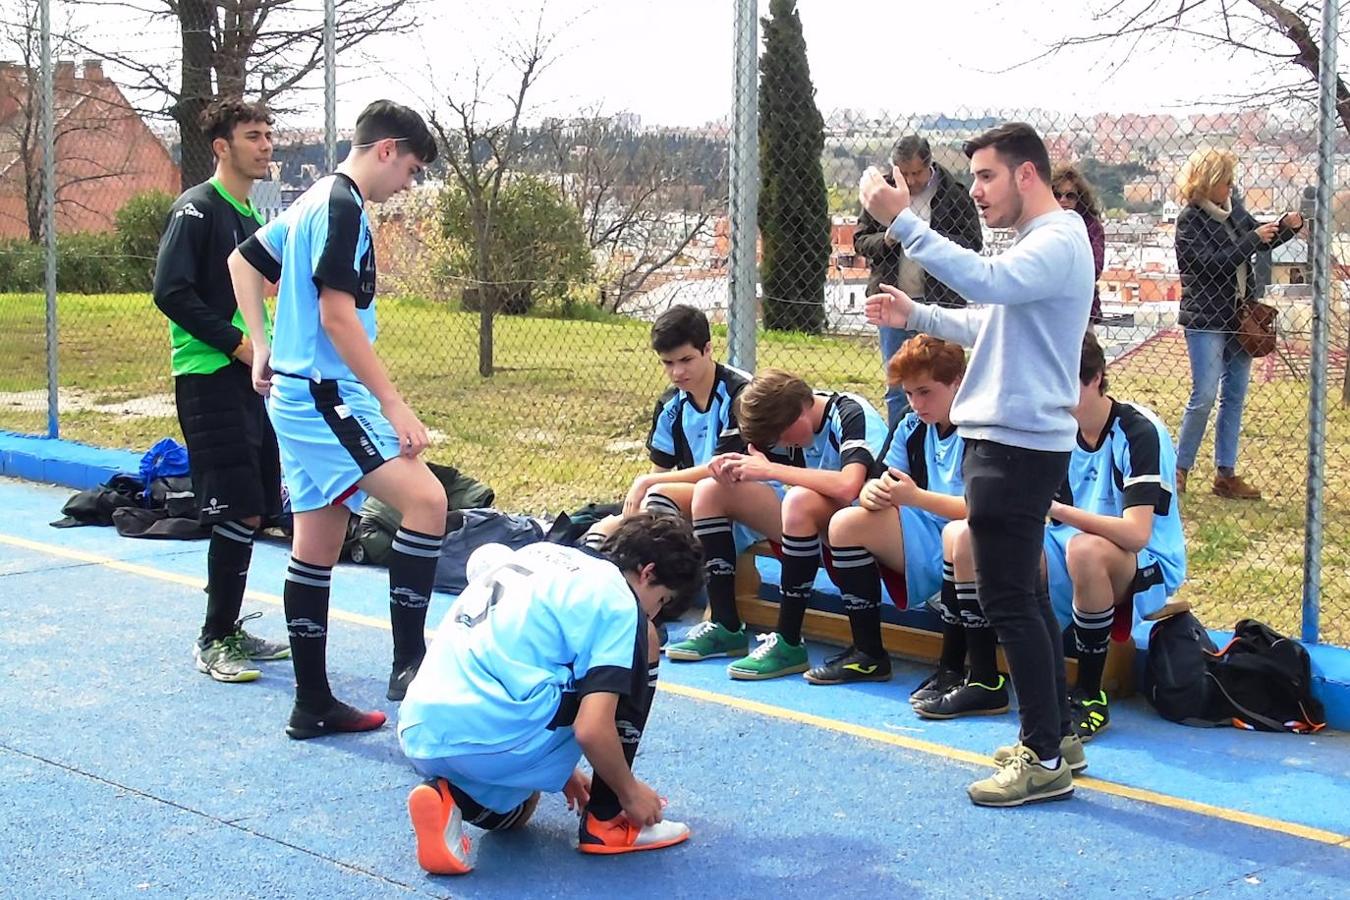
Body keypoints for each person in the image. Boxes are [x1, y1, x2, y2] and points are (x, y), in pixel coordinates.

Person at [860, 121, 1093, 807]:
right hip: (1013, 440)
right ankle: (1059, 735)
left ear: (1027, 175)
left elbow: (985, 279)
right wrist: (917, 312)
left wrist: (903, 223)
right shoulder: (1041, 245)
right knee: (1018, 595)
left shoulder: (1055, 239)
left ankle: (1042, 756)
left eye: (988, 176)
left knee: (1006, 600)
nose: (979, 192)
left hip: (1016, 442)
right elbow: (987, 320)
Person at [230, 100, 445, 739]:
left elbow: (243, 262)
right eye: (410, 169)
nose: (408, 184)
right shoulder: (344, 205)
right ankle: (411, 663)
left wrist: (262, 344)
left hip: (296, 392)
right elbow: (337, 317)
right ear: (387, 149)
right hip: (324, 395)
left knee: (318, 542)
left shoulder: (312, 197)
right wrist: (394, 403)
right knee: (427, 501)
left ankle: (313, 702)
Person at [398, 514, 704, 875]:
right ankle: (606, 822)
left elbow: (518, 658)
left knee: (519, 811)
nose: (654, 614)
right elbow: (591, 728)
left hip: (420, 728)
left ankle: (446, 796)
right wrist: (628, 792)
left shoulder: (540, 552)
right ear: (647, 573)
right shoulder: (620, 601)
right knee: (645, 643)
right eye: (661, 601)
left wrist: (557, 763)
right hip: (496, 736)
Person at [152, 98, 290, 684]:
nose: (265, 146)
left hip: (247, 377)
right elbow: (170, 291)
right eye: (253, 136)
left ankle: (230, 626)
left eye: (268, 136)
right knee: (236, 506)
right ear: (221, 147)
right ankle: (213, 639)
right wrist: (235, 343)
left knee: (255, 506)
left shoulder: (247, 214)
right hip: (209, 376)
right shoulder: (198, 209)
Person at [814, 336, 1006, 721]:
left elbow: (982, 509)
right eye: (909, 394)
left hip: (986, 539)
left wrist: (914, 497)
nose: (917, 404)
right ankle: (868, 654)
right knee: (847, 523)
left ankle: (953, 667)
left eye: (925, 392)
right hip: (930, 530)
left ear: (959, 382)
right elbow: (877, 478)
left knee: (959, 537)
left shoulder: (985, 427)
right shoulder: (912, 424)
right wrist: (873, 492)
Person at [664, 369, 888, 680]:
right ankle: (725, 625)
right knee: (710, 490)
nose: (780, 444)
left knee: (799, 500)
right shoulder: (779, 415)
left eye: (781, 436)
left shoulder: (850, 413)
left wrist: (772, 471)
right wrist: (721, 465)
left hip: (866, 529)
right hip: (811, 526)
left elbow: (849, 487)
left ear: (799, 413)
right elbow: (743, 463)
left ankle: (788, 640)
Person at [1043, 331, 1187, 741]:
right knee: (1006, 547)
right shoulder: (1055, 427)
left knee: (1086, 550)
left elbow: (1137, 534)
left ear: (1097, 378)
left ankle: (1090, 695)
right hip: (1074, 542)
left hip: (1147, 562)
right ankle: (990, 678)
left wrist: (1058, 511)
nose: (1058, 397)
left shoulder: (1138, 431)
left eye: (1068, 384)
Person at [1173, 146, 1304, 500]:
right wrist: (1251, 239)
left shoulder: (1234, 214)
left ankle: (1225, 474)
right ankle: (1179, 468)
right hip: (1206, 318)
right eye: (1225, 181)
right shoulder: (1190, 220)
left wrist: (1287, 227)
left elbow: (1260, 242)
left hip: (1238, 317)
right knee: (1204, 395)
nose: (1230, 188)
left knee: (1234, 395)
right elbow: (1208, 265)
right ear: (1208, 182)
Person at [582, 305, 753, 546]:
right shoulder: (670, 403)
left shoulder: (740, 395)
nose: (677, 372)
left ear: (708, 349)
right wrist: (634, 508)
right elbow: (660, 472)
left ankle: (686, 580)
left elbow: (724, 468)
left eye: (686, 360)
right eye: (668, 363)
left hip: (744, 498)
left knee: (659, 503)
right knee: (604, 533)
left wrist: (647, 483)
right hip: (690, 498)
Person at [853, 135, 983, 422]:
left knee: (943, 379)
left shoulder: (954, 194)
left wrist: (925, 236)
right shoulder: (882, 194)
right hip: (893, 300)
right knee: (898, 385)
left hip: (941, 301)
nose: (911, 181)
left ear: (930, 165)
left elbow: (972, 243)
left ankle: (945, 435)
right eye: (905, 174)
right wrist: (888, 239)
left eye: (917, 173)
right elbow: (860, 240)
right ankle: (901, 443)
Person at [1051, 164, 1105, 325]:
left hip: (1083, 307)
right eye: (1057, 195)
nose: (1063, 200)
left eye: (1070, 196)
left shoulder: (1091, 226)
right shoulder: (1041, 223)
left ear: (1079, 198)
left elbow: (1094, 267)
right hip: (1049, 307)